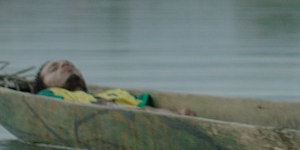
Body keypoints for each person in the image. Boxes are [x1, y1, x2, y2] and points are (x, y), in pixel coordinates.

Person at [30, 60, 193, 116]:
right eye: (54, 69)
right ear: (45, 85)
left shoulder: (116, 93)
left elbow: (148, 108)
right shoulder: (50, 95)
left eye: (70, 64)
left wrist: (178, 113)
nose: (65, 65)